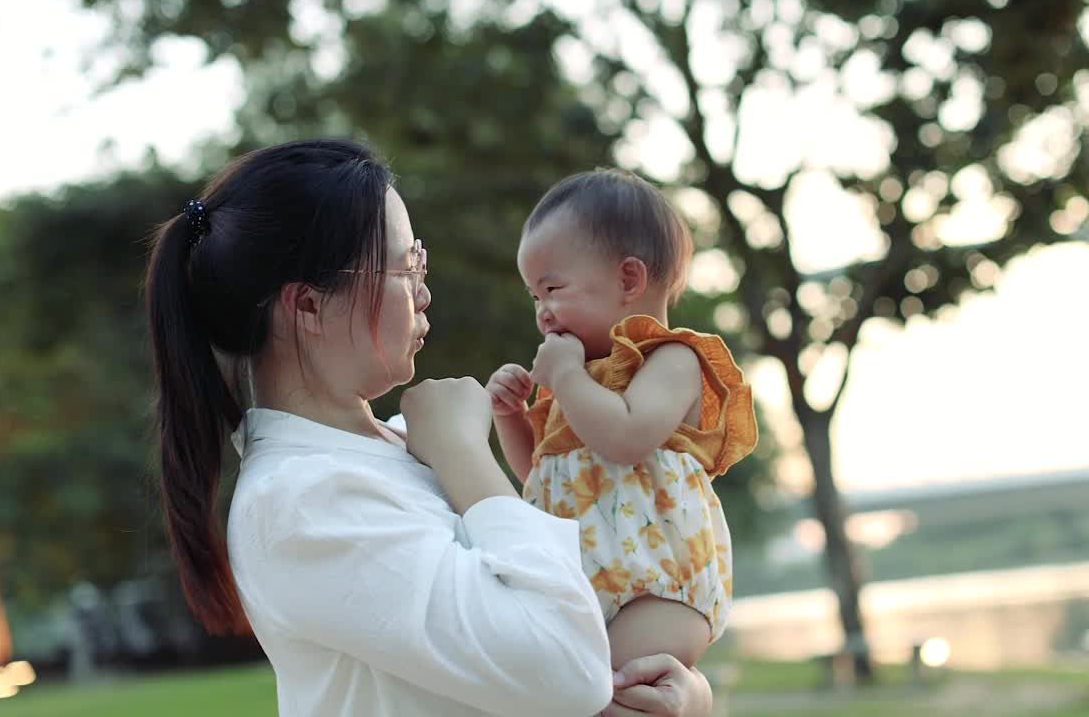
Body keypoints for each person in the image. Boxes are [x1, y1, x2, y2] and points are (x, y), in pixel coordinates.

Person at [143, 138, 714, 716]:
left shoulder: (395, 447)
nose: (424, 290)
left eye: (421, 259)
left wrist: (685, 697)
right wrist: (466, 450)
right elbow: (568, 671)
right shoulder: (301, 501)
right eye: (404, 265)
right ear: (309, 306)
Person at [487, 169, 758, 671]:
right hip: (585, 589)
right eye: (534, 297)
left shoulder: (671, 359)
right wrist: (512, 416)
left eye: (552, 288)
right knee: (566, 687)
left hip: (656, 588)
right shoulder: (580, 385)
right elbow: (540, 477)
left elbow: (628, 439)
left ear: (628, 279)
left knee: (595, 689)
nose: (543, 312)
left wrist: (566, 379)